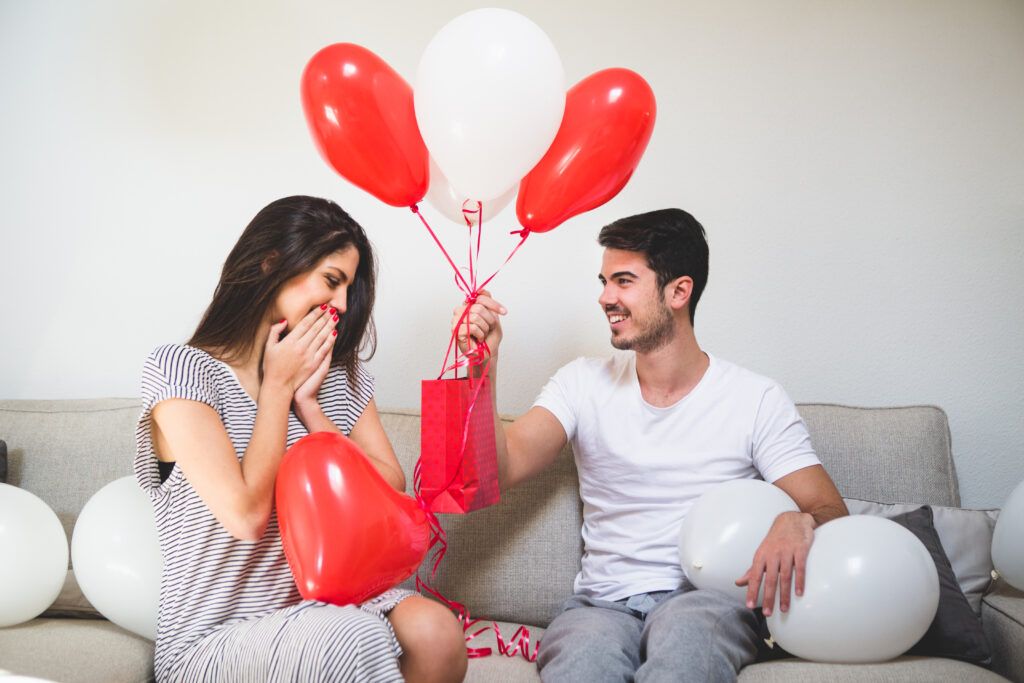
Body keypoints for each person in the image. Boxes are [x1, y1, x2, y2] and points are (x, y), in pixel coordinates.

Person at [452, 208, 848, 682]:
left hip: (702, 602)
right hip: (600, 606)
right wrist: (483, 368)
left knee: (685, 648)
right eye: (604, 281)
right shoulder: (581, 383)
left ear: (679, 291)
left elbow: (829, 510)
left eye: (623, 281)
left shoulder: (755, 398)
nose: (604, 298)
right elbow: (500, 468)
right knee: (581, 664)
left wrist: (797, 520)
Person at [135, 196, 467, 683]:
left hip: (324, 608)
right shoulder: (182, 370)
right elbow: (246, 516)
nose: (341, 305)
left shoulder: (333, 380)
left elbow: (392, 492)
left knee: (435, 632)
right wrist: (278, 390)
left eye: (349, 289)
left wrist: (310, 407)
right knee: (353, 639)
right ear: (273, 263)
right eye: (332, 281)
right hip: (212, 637)